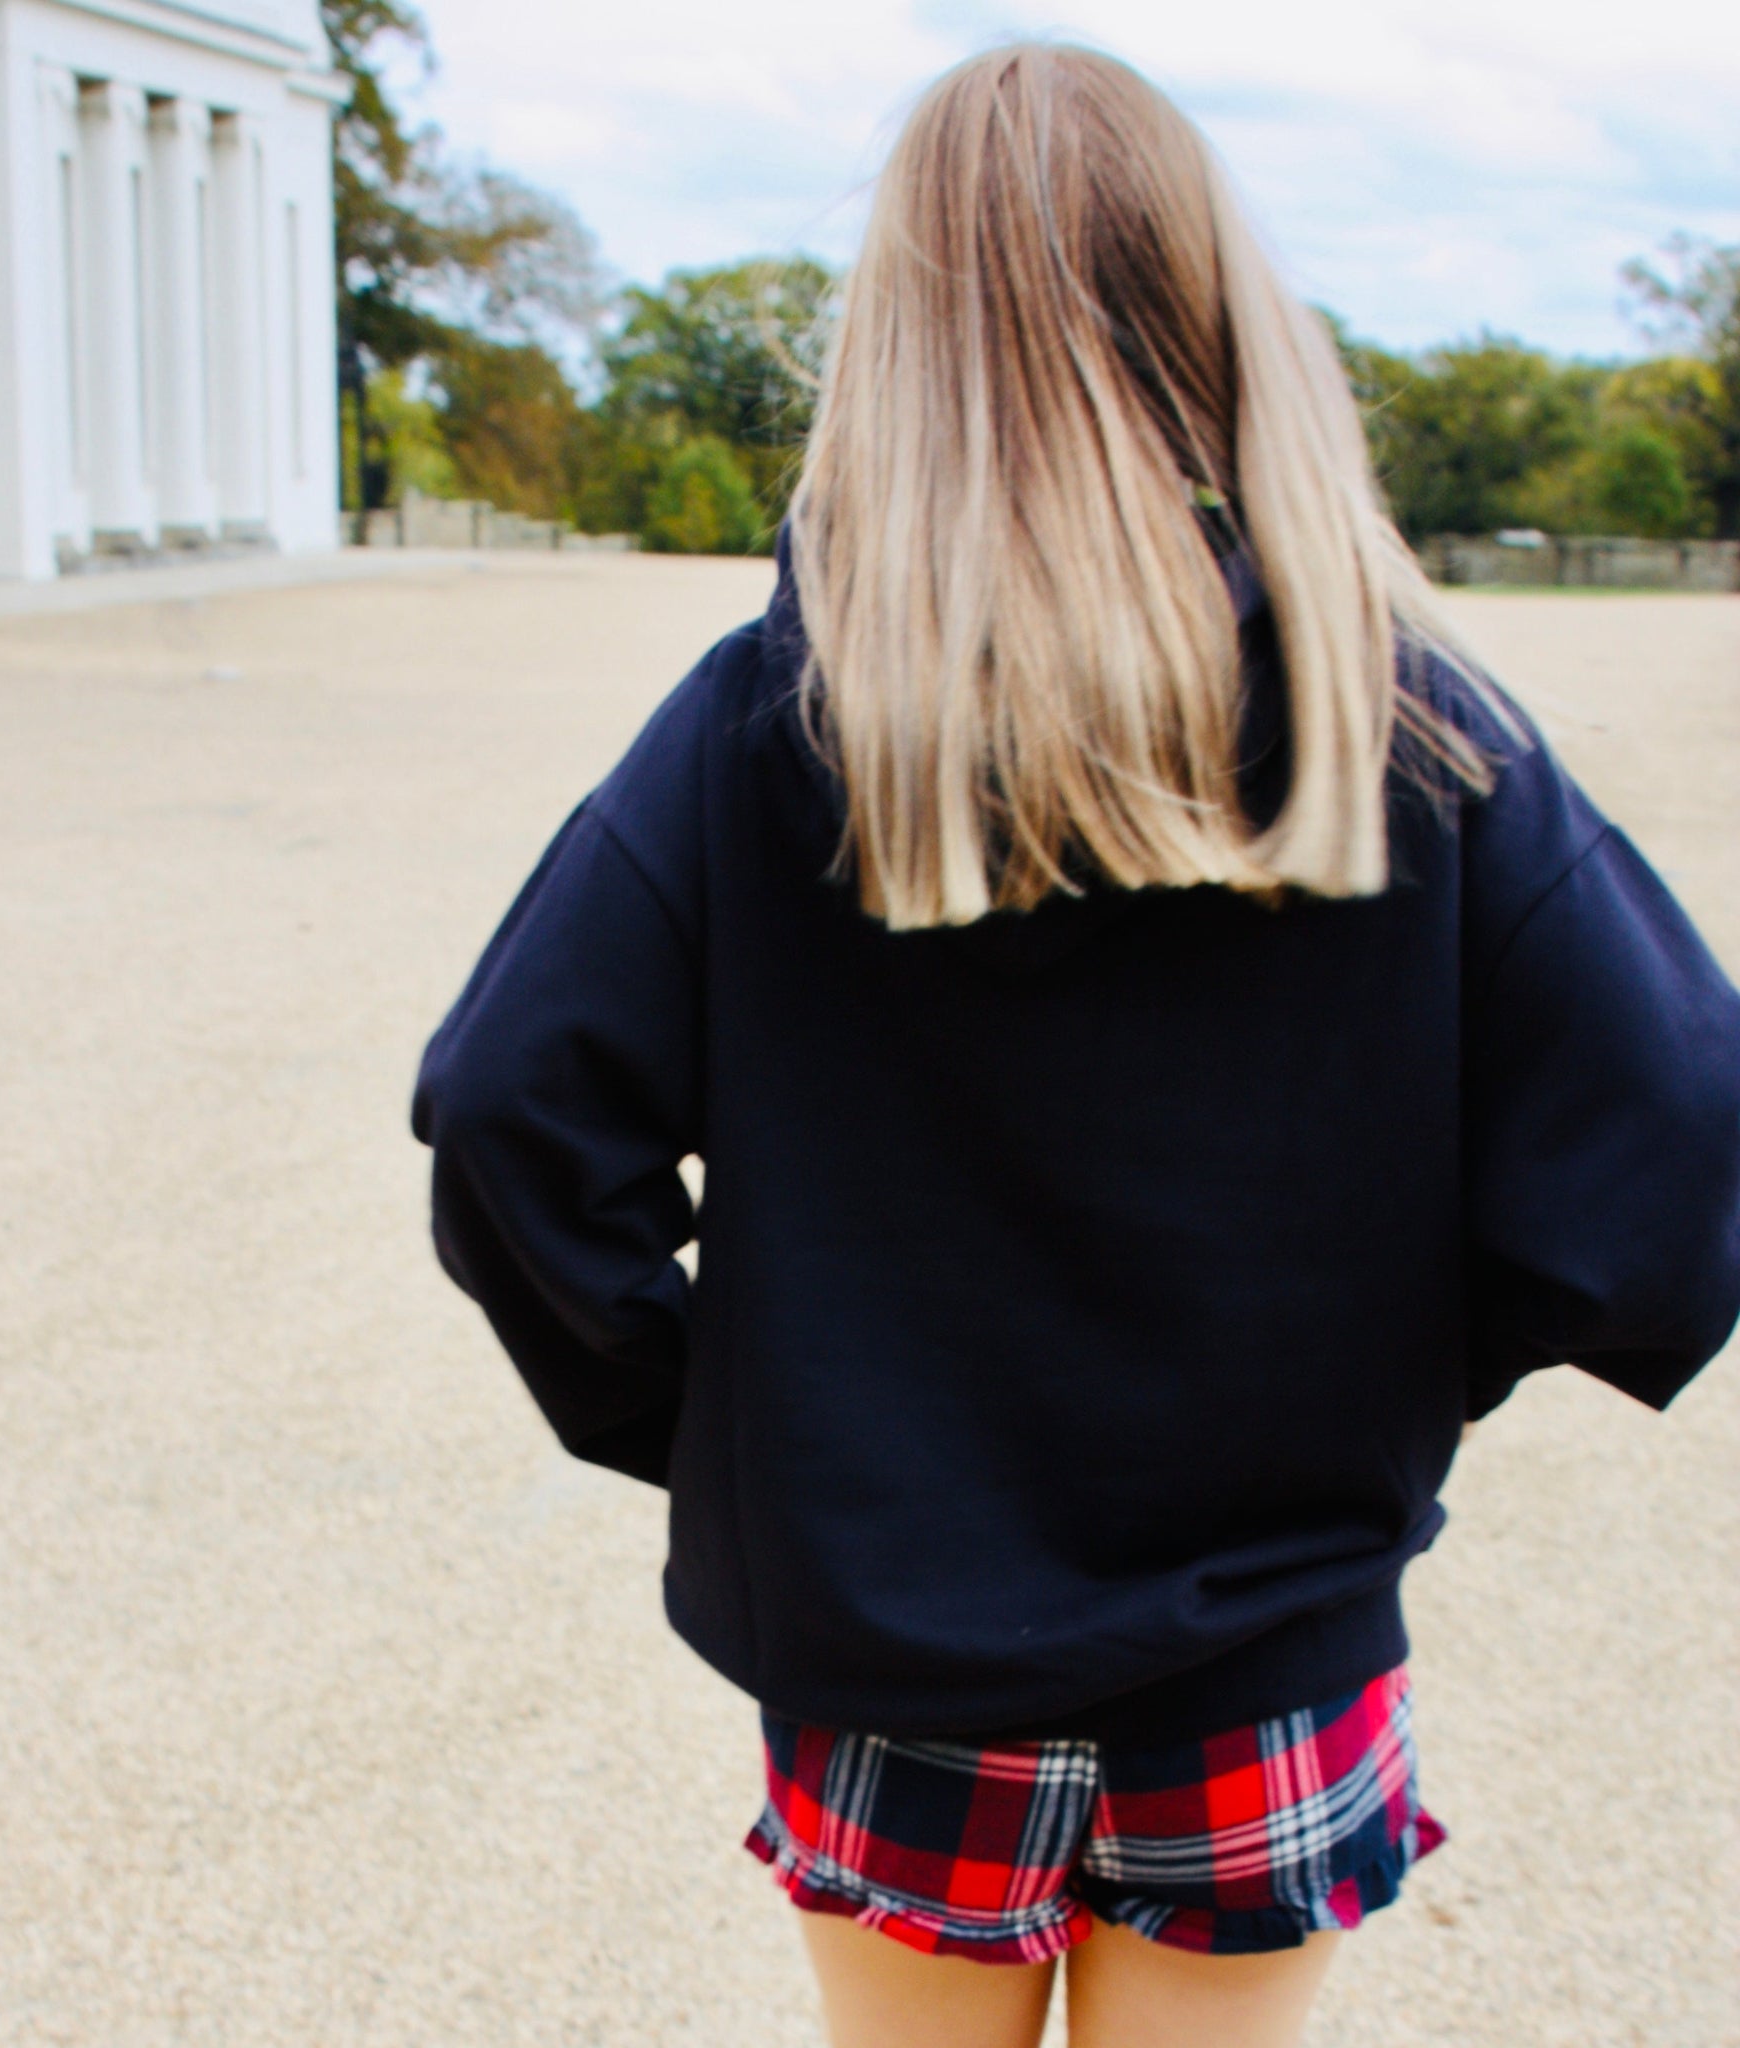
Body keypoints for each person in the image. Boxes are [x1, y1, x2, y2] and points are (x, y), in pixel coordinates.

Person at [409, 43, 1740, 2048]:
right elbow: (1680, 1144)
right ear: (1220, 310)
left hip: (892, 1654)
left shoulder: (771, 722)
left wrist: (730, 1428)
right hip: (1270, 1657)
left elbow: (513, 1117)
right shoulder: (1415, 734)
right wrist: (1401, 1372)